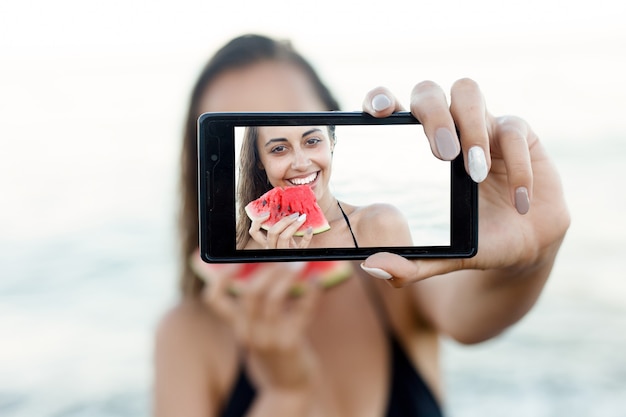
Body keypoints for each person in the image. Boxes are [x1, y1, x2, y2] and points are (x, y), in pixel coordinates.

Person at [153, 34, 570, 417]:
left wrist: (531, 252)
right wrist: (285, 393)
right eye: (277, 144)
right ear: (253, 161)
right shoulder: (187, 334)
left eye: (310, 136)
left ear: (334, 135)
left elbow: (472, 316)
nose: (300, 161)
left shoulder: (379, 238)